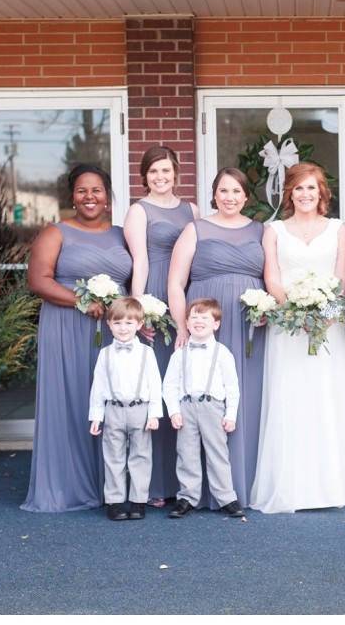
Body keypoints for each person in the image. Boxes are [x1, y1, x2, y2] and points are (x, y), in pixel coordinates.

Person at [249, 162, 345, 513]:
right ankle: (292, 485)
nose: (305, 194)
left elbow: (342, 278)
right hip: (288, 329)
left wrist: (325, 319)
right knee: (292, 400)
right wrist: (295, 316)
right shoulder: (273, 230)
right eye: (298, 188)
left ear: (322, 193)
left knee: (329, 400)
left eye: (311, 188)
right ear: (289, 193)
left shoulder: (339, 229)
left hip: (331, 327)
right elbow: (272, 278)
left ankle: (332, 483)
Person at [22, 164, 133, 513]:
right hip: (67, 326)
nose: (90, 197)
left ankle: (114, 486)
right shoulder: (55, 232)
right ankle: (67, 485)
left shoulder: (121, 234)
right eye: (82, 191)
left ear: (108, 197)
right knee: (72, 398)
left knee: (114, 402)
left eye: (97, 190)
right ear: (72, 196)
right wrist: (81, 302)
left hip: (115, 330)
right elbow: (39, 280)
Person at [166, 167, 265, 509]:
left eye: (236, 191)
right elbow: (175, 282)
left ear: (246, 196)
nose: (229, 197)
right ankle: (193, 494)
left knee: (242, 398)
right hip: (203, 321)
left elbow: (271, 277)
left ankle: (242, 485)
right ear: (213, 194)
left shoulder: (259, 230)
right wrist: (182, 325)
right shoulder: (195, 229)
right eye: (223, 191)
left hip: (248, 325)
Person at [123, 146, 199, 507]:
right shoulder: (138, 211)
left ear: (177, 171)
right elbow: (139, 262)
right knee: (154, 388)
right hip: (155, 296)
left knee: (181, 387)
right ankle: (154, 484)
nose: (160, 177)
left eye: (166, 170)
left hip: (185, 295)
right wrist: (140, 312)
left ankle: (183, 482)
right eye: (153, 171)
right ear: (144, 176)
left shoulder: (192, 210)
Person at [162, 298, 245, 519]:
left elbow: (232, 386)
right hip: (186, 406)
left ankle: (226, 497)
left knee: (218, 453)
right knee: (186, 453)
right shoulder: (179, 354)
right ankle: (187, 498)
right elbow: (169, 385)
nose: (199, 321)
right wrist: (174, 411)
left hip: (213, 407)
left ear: (216, 324)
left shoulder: (222, 352)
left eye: (204, 317)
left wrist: (231, 414)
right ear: (187, 324)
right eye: (194, 317)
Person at [88, 297, 163, 521]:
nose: (123, 328)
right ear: (109, 324)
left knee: (141, 455)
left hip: (140, 410)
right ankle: (115, 501)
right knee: (113, 456)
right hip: (113, 410)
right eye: (118, 323)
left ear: (139, 325)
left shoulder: (147, 353)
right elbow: (98, 386)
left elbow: (155, 384)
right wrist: (96, 416)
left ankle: (139, 501)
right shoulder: (105, 354)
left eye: (129, 323)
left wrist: (155, 414)